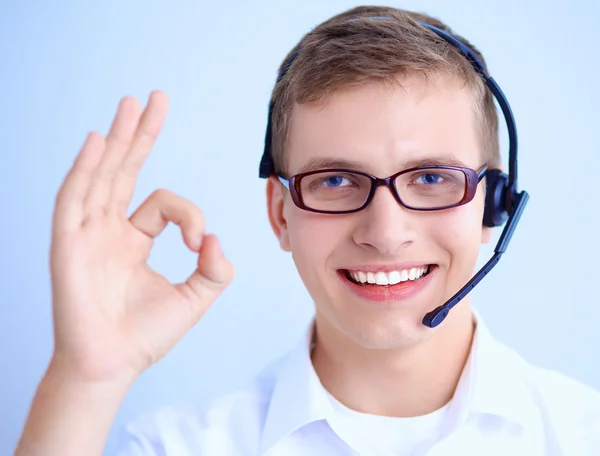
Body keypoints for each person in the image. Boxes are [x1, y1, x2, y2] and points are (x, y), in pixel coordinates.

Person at [14, 5, 600, 456]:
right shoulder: (182, 446)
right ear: (280, 214)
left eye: (429, 178)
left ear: (494, 204)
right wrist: (84, 380)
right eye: (337, 182)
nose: (385, 232)